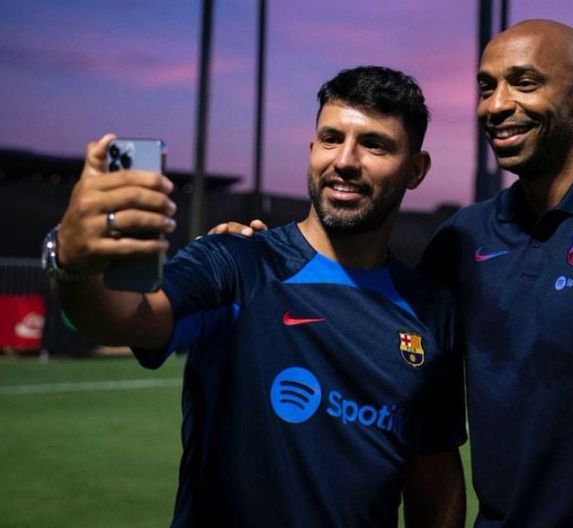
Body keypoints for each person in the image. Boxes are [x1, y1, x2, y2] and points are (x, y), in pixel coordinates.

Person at [216, 20, 573, 527]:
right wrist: (260, 257)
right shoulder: (461, 239)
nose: (497, 105)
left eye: (524, 82)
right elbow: (391, 366)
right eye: (486, 87)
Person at [42, 66, 467, 527]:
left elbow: (434, 477)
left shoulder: (432, 312)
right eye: (331, 139)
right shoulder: (239, 261)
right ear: (312, 150)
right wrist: (73, 261)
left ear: (416, 170)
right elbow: (127, 319)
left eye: (374, 144)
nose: (345, 160)